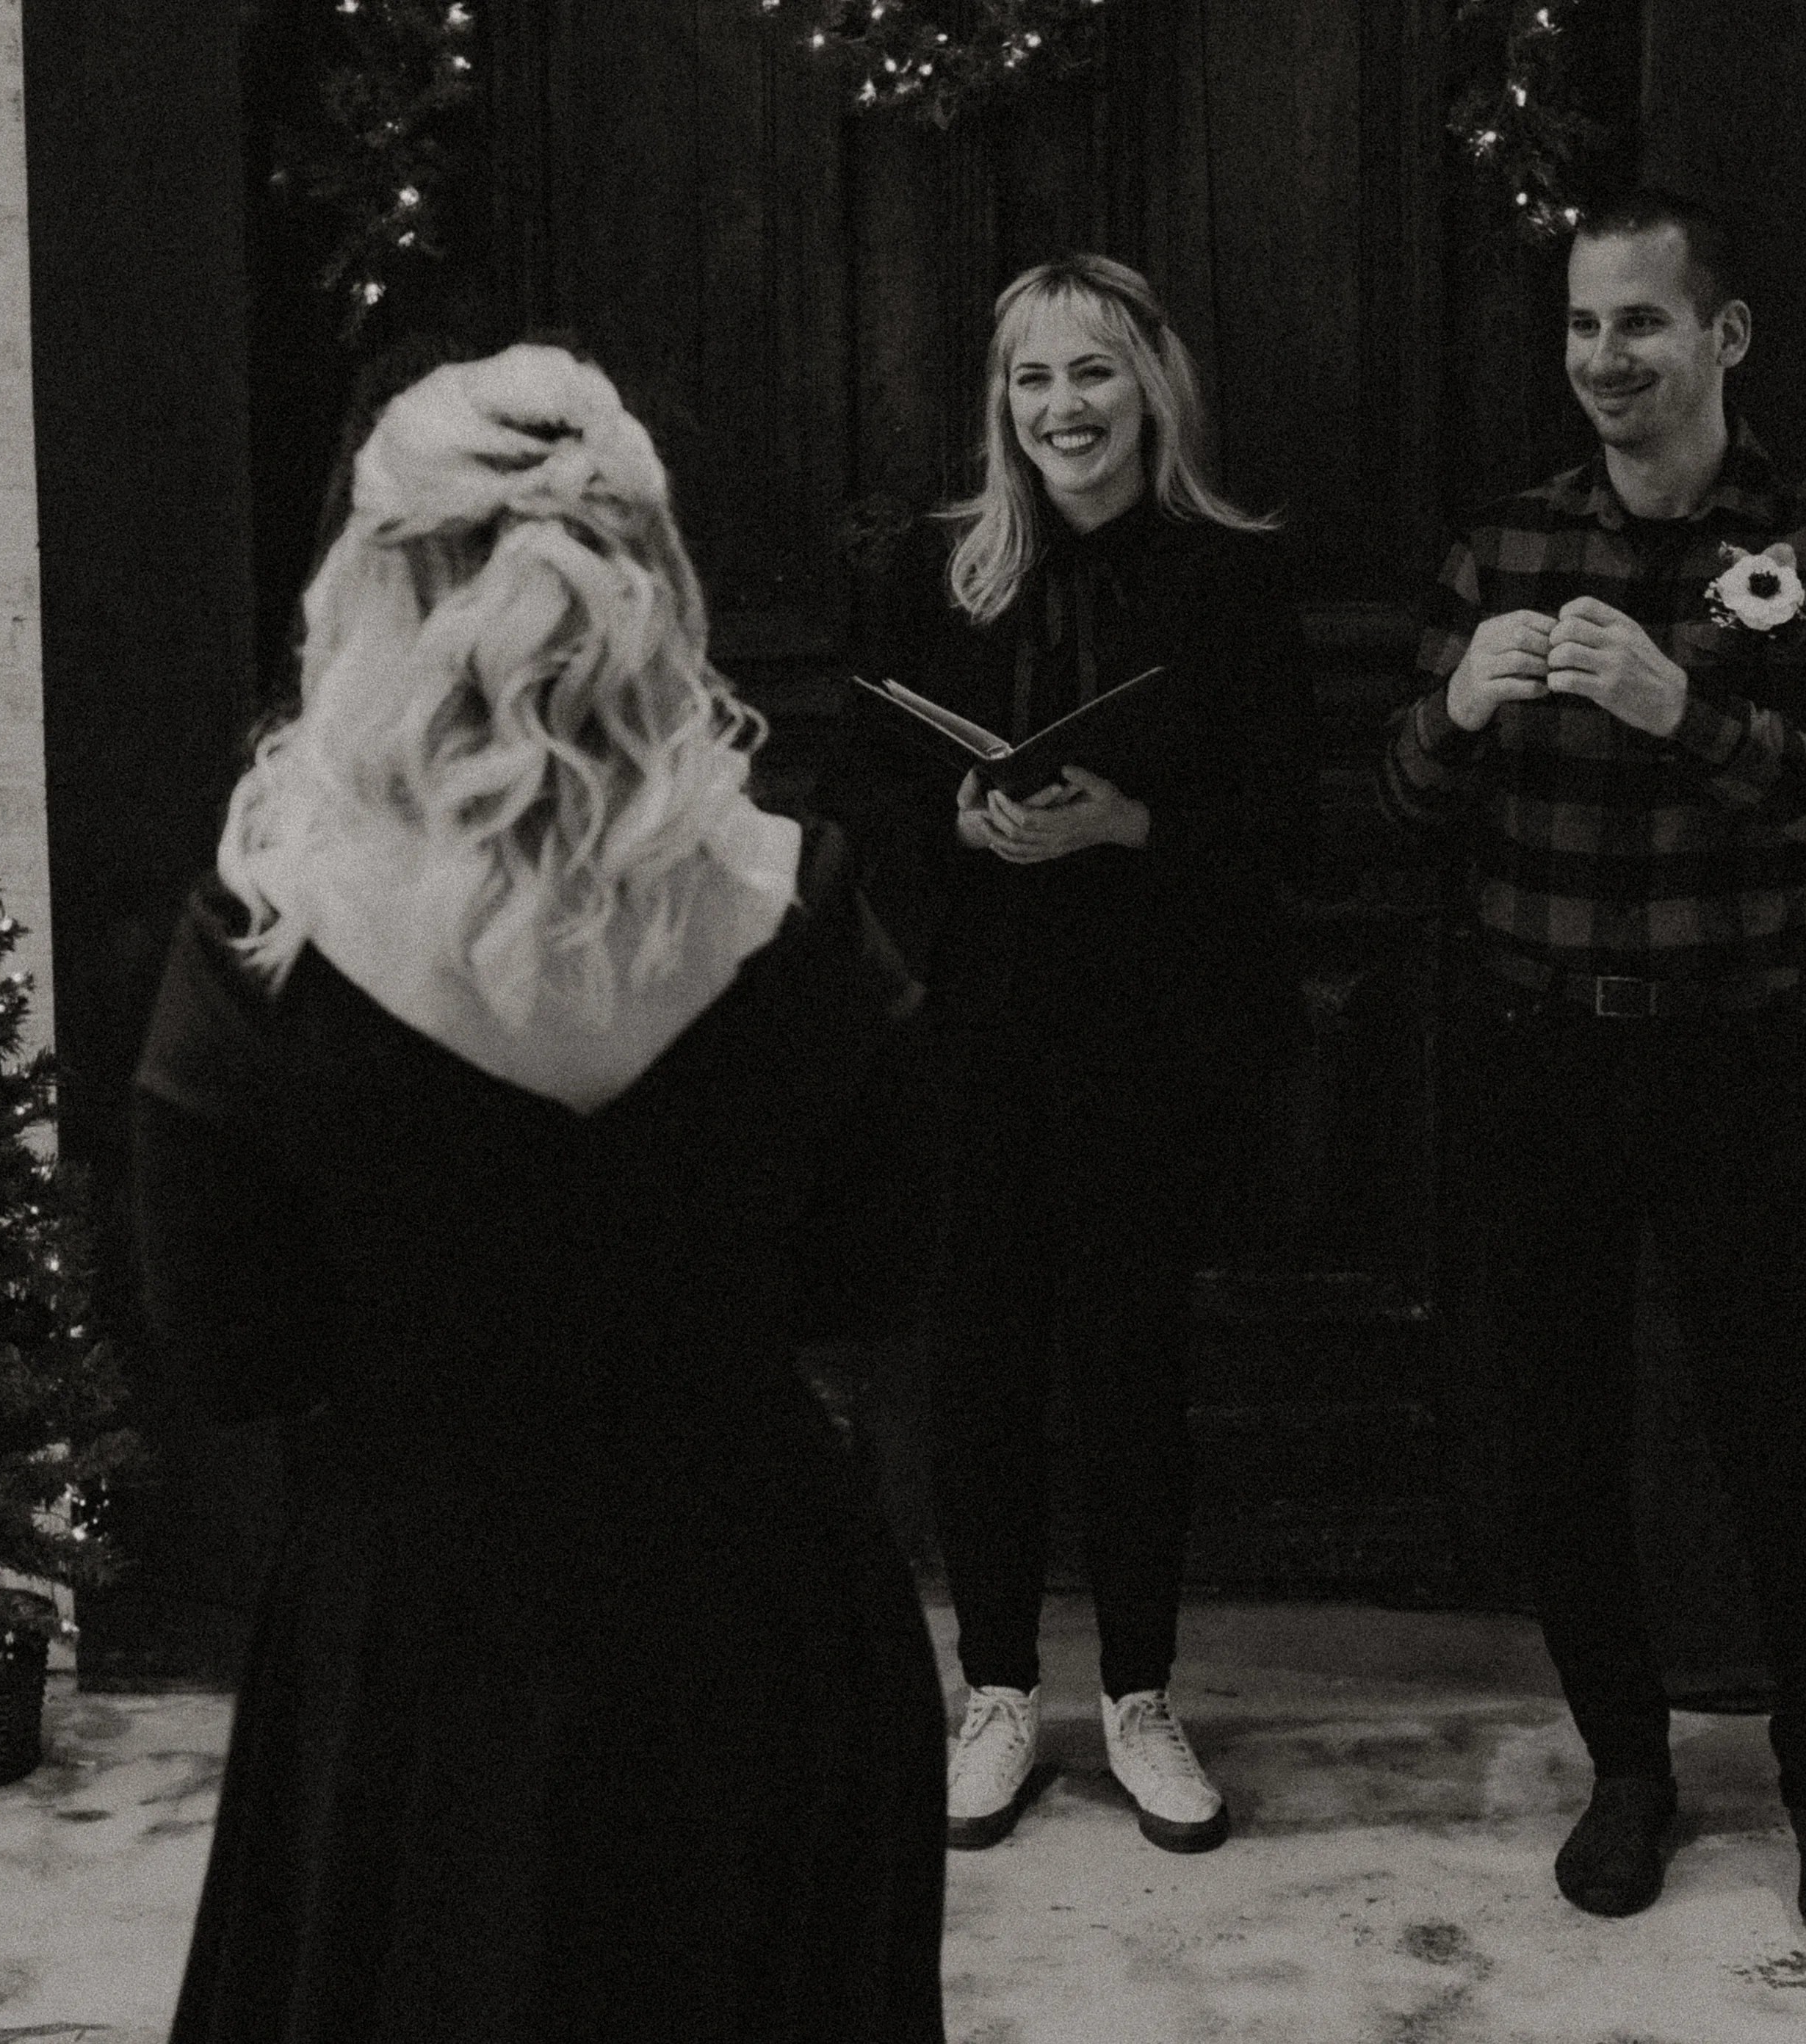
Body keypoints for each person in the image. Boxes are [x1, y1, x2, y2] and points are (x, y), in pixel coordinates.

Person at [132, 342, 947, 2040]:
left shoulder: (266, 936)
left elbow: (226, 1356)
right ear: (656, 586)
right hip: (756, 1622)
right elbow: (871, 1276)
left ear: (375, 582)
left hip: (424, 1648)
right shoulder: (802, 909)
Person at [1378, 189, 1806, 1938]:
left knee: (1775, 1429)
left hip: (1735, 1058)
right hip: (1539, 1057)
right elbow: (1405, 798)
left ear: (1725, 338)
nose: (1607, 360)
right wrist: (1452, 713)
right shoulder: (1506, 547)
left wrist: (1688, 713)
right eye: (1584, 329)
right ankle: (1627, 1765)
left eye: (1642, 325)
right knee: (1560, 1433)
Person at [816, 255, 1314, 1857]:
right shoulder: (939, 576)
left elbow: (1289, 824)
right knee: (974, 1365)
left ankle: (1145, 1696)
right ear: (1000, 404)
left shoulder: (1230, 582)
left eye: (1092, 374)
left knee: (1129, 1370)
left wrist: (1133, 820)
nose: (1062, 410)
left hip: (1149, 1032)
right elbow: (864, 802)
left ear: (1152, 385)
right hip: (972, 1027)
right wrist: (954, 819)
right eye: (1032, 380)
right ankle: (998, 1693)